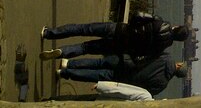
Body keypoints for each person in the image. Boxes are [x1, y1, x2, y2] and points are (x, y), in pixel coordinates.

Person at [41, 15, 189, 61]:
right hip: (120, 46)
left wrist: (131, 26)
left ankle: (48, 34)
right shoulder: (162, 48)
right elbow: (141, 58)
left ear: (176, 27)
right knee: (85, 48)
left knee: (83, 28)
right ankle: (61, 52)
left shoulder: (161, 22)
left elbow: (138, 14)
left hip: (118, 29)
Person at [56, 52, 187, 96]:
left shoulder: (166, 58)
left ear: (179, 65)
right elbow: (144, 91)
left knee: (99, 63)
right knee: (96, 76)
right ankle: (64, 73)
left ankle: (68, 64)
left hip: (125, 63)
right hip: (125, 80)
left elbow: (148, 53)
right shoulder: (162, 84)